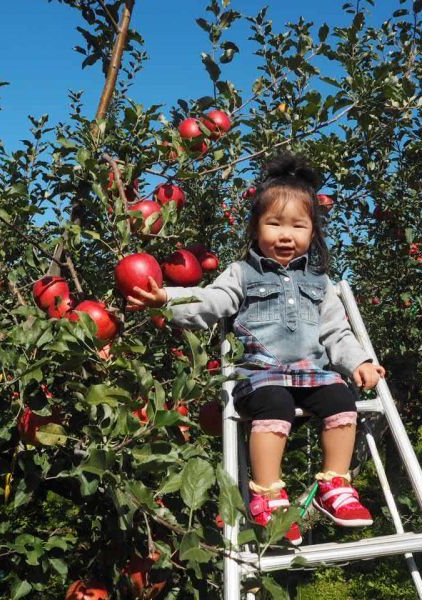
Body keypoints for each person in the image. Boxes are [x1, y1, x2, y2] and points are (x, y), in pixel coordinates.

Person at [126, 154, 385, 545]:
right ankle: (267, 494)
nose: (286, 235)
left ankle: (336, 486)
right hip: (261, 374)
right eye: (274, 223)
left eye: (298, 226)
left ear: (312, 232)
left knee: (341, 400)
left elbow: (337, 332)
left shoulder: (320, 282)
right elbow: (210, 302)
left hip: (312, 372)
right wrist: (167, 298)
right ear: (256, 227)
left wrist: (359, 361)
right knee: (274, 406)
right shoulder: (242, 274)